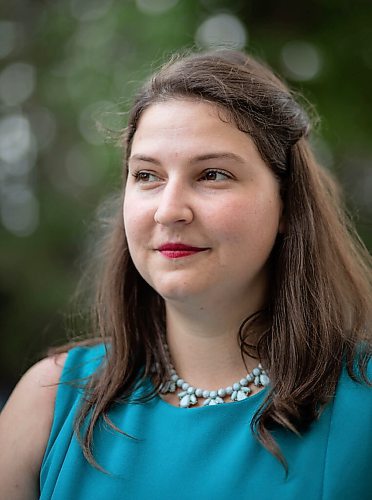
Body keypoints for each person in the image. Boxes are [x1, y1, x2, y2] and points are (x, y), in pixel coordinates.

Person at [0, 49, 371, 500]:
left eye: (212, 174)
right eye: (147, 176)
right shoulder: (46, 403)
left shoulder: (361, 408)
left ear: (287, 205)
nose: (169, 209)